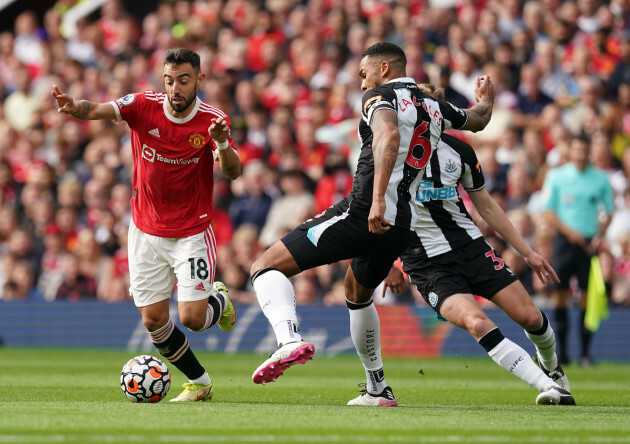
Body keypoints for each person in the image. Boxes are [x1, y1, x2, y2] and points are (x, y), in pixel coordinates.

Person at [248, 42, 494, 407]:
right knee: (356, 292)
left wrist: (377, 198)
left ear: (382, 69)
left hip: (365, 212)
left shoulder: (379, 97)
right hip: (400, 227)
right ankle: (377, 388)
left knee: (264, 266)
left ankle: (288, 340)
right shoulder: (433, 105)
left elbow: (389, 136)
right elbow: (478, 120)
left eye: (364, 74)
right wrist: (485, 100)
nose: (362, 83)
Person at [52, 48, 242, 402]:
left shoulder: (213, 119)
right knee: (154, 321)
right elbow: (95, 109)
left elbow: (232, 171)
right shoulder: (143, 105)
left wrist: (219, 141)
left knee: (193, 318)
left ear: (199, 79)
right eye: (169, 80)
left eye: (183, 80)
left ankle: (220, 298)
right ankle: (200, 382)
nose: (175, 88)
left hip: (191, 232)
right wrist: (74, 106)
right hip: (145, 230)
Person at [381, 86, 575, 404]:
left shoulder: (460, 152)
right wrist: (386, 262)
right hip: (425, 262)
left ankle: (554, 371)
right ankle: (549, 388)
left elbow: (486, 206)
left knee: (530, 318)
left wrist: (528, 252)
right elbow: (374, 211)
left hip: (471, 248)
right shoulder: (391, 155)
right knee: (476, 321)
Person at [543, 135, 614, 367]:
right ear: (571, 152)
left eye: (585, 149)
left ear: (589, 151)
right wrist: (568, 231)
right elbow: (549, 212)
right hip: (565, 242)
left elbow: (609, 211)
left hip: (588, 244)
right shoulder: (558, 176)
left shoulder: (600, 179)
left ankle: (585, 353)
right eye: (577, 149)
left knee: (587, 297)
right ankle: (562, 353)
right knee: (560, 297)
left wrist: (599, 235)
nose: (581, 154)